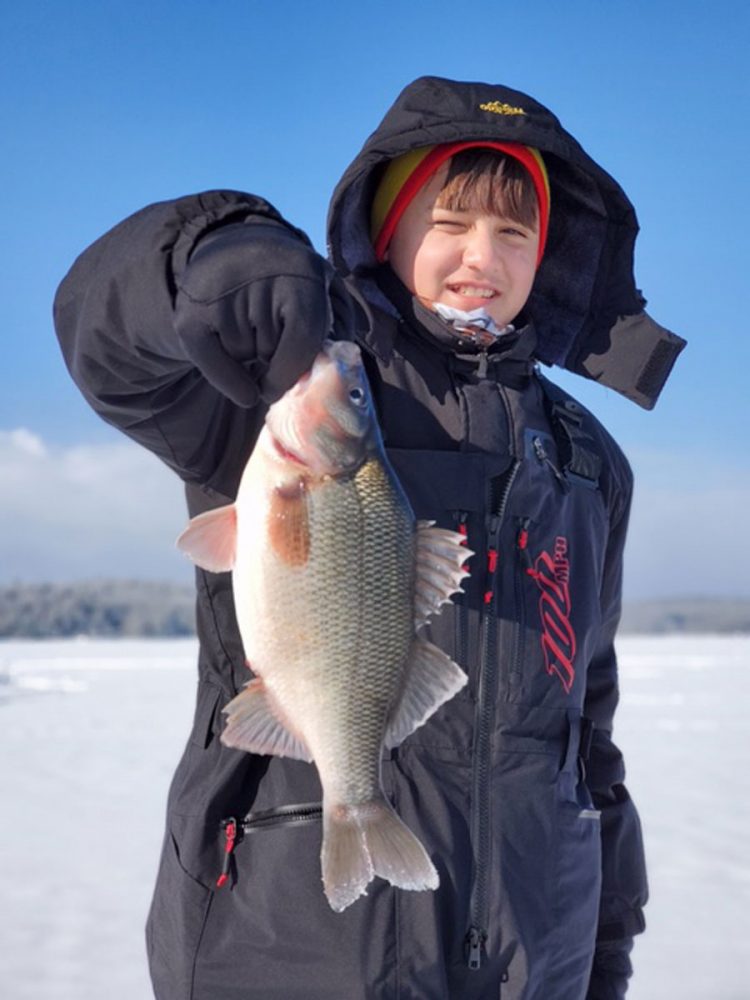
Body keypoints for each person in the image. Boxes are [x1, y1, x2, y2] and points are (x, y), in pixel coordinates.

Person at [53, 76, 685, 1000]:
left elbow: (586, 728)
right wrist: (201, 254)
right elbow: (106, 347)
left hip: (535, 954)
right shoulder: (278, 386)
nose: (484, 256)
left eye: (516, 232)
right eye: (451, 220)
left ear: (547, 255)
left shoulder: (588, 463)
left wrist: (603, 942)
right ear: (384, 233)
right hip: (296, 944)